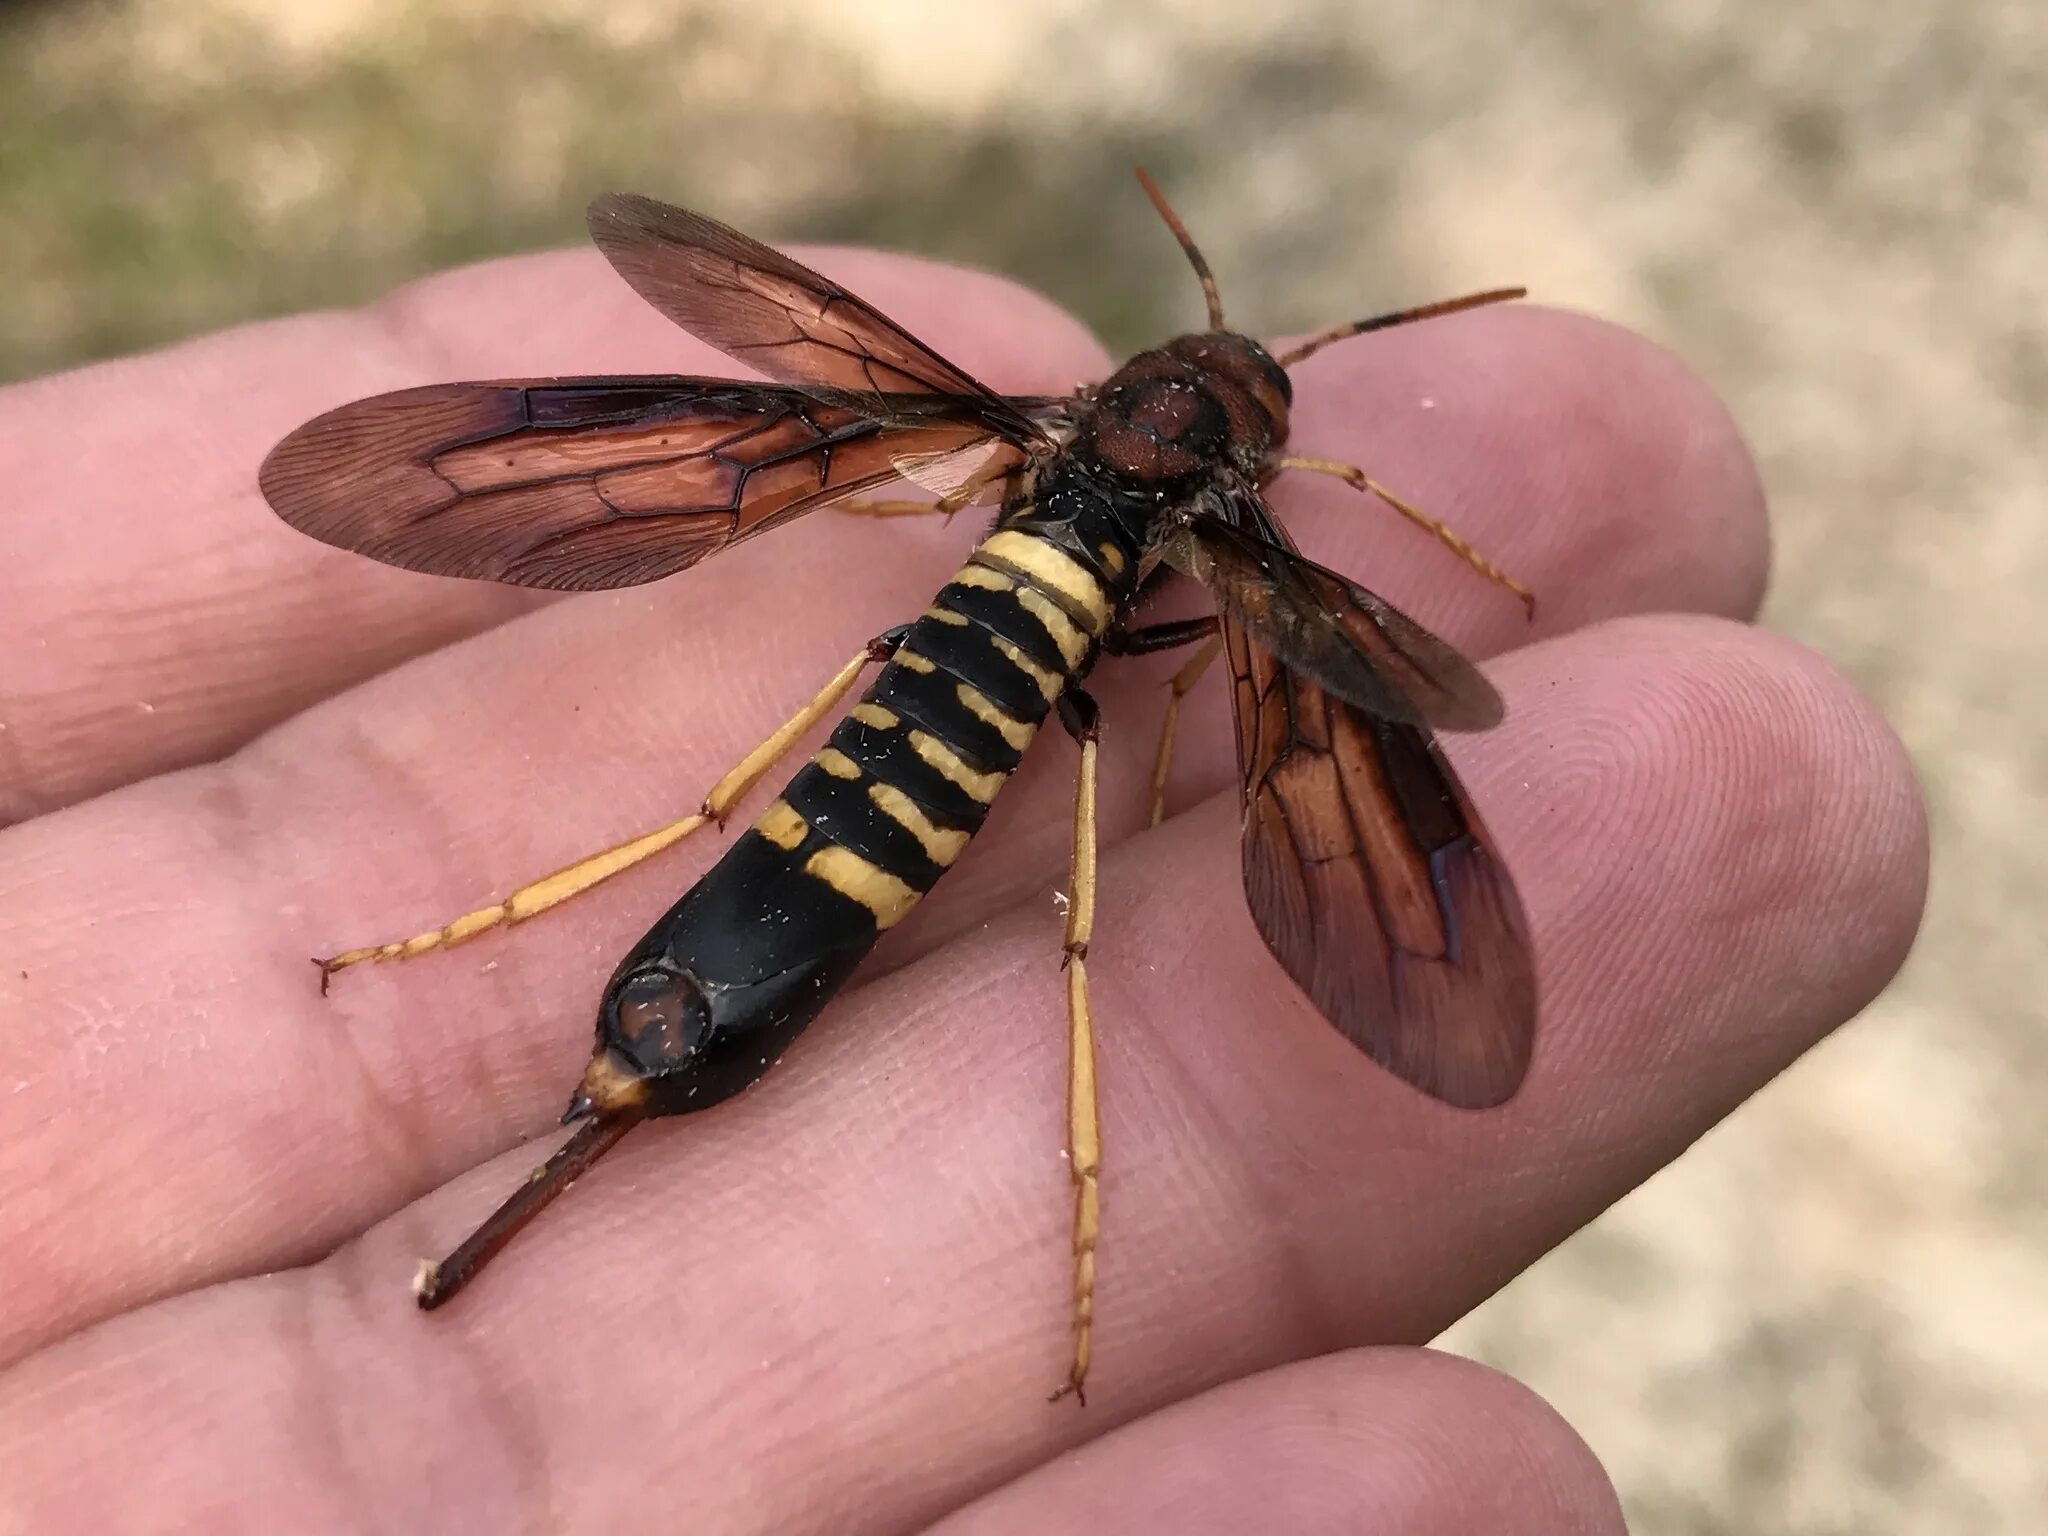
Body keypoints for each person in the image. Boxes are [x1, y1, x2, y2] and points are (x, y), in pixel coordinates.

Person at [0, 239, 1926, 1531]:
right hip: (966, 756)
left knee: (764, 789)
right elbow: (1320, 647)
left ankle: (549, 1007)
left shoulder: (996, 440)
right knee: (1070, 927)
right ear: (1245, 459)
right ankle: (619, 1042)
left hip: (884, 740)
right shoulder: (1243, 554)